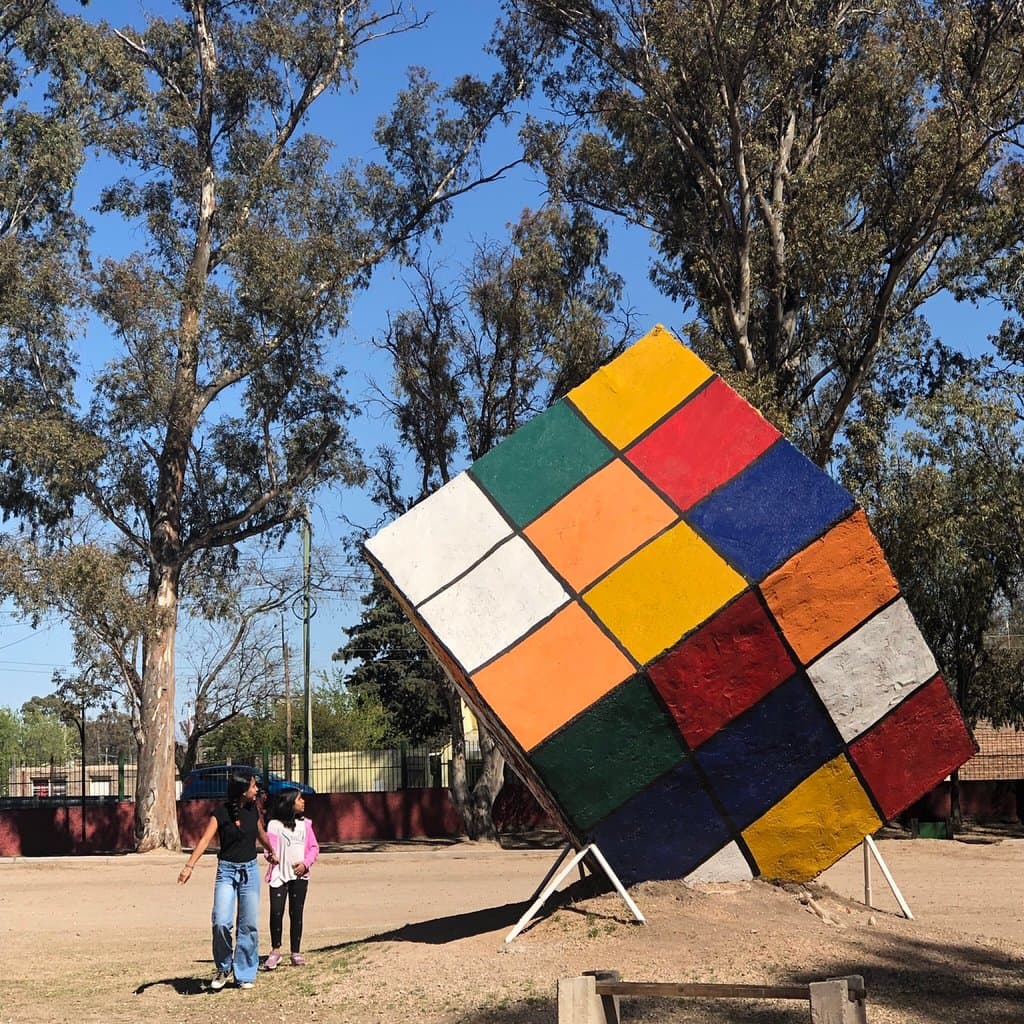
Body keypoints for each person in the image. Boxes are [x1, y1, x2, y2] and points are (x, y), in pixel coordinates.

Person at [178, 770, 277, 991]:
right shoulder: (220, 813)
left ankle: (245, 973)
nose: (256, 789)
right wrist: (189, 866)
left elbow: (260, 833)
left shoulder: (253, 810)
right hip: (227, 872)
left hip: (249, 871)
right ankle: (224, 967)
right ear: (242, 791)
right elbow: (204, 840)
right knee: (221, 921)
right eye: (253, 786)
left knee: (248, 925)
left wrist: (271, 851)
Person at [262, 787, 320, 969]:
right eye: (300, 799)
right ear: (289, 803)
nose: (303, 801)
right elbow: (268, 848)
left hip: (299, 877)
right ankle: (275, 951)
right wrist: (271, 856)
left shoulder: (306, 825)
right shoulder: (274, 825)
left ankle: (296, 952)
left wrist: (306, 864)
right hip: (279, 875)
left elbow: (314, 848)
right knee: (276, 912)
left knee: (296, 913)